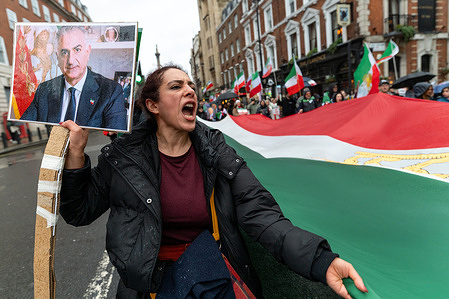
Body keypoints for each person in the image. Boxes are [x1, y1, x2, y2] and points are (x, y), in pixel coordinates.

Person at [59, 65, 367, 298]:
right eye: (176, 86)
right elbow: (78, 211)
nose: (190, 91)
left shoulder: (217, 151)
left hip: (211, 281)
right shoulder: (122, 159)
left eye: (191, 85)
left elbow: (262, 214)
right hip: (148, 288)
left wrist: (320, 260)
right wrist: (76, 153)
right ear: (153, 106)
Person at [20, 26, 127, 130]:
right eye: (64, 52)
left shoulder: (111, 91)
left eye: (77, 49)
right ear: (57, 57)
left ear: (87, 51)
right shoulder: (44, 89)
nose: (70, 61)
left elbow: (115, 140)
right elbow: (24, 126)